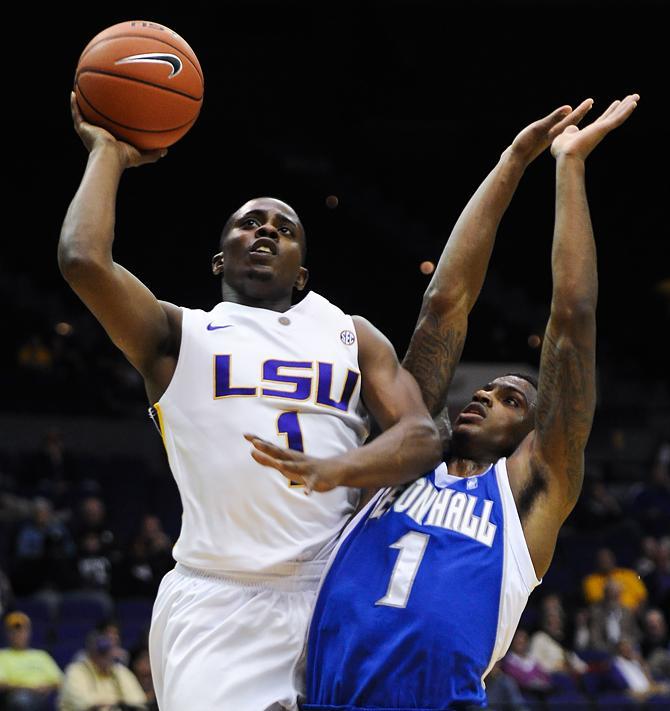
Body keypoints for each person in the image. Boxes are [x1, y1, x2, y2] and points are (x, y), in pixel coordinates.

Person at [246, 94, 640, 709]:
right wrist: (513, 159)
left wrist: (567, 167)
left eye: (510, 398)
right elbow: (443, 308)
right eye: (484, 389)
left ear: (533, 434)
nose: (483, 395)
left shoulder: (528, 495)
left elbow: (572, 319)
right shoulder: (399, 458)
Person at [59, 93, 441, 710]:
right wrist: (107, 152)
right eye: (249, 224)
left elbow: (422, 437)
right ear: (219, 260)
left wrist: (336, 470)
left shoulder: (352, 332)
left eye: (284, 229)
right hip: (220, 602)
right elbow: (83, 261)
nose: (265, 230)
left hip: (336, 591)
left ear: (302, 274)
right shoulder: (177, 336)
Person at [58, 629, 147, 711]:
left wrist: (108, 704)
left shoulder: (121, 672)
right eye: (101, 650)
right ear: (90, 650)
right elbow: (86, 704)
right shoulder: (75, 671)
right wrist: (119, 703)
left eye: (109, 649)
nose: (105, 655)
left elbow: (139, 702)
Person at [0, 611, 63, 711]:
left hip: (42, 696)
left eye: (22, 630)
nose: (18, 634)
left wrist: (47, 688)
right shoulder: (2, 655)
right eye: (14, 631)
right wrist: (28, 688)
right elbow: (2, 684)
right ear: (7, 634)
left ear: (29, 632)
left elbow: (60, 681)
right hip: (16, 697)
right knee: (22, 701)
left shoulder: (41, 655)